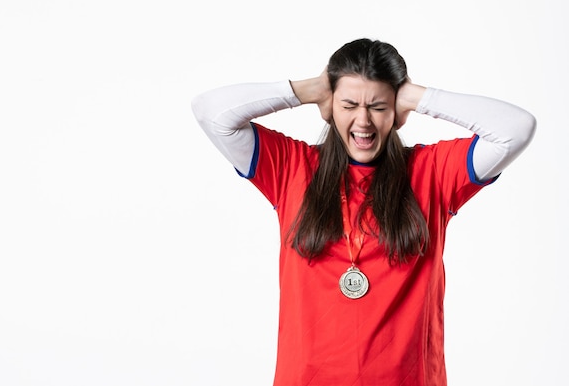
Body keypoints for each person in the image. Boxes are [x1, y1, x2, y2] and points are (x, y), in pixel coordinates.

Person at [191, 38, 536, 386]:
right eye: (349, 104)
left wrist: (417, 97)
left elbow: (515, 130)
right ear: (330, 107)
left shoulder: (431, 173)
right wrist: (308, 89)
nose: (363, 120)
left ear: (397, 112)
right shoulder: (292, 168)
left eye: (378, 106)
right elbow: (211, 112)